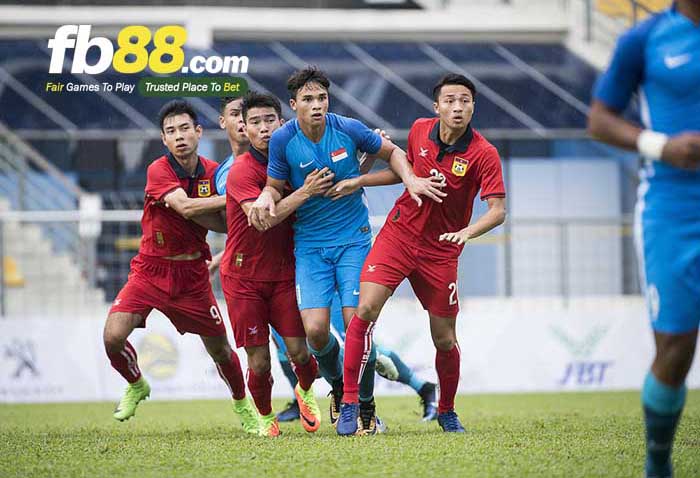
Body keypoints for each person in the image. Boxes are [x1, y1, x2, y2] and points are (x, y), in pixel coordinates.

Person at [248, 66, 444, 435]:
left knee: (359, 326)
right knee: (316, 332)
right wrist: (264, 195)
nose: (317, 105)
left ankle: (365, 407)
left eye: (321, 98)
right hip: (309, 246)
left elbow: (394, 152)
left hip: (354, 240)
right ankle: (341, 389)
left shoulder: (348, 128)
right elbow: (274, 186)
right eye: (307, 99)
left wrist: (410, 178)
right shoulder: (283, 140)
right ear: (294, 105)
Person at [339, 73, 506, 435]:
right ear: (437, 106)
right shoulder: (418, 130)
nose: (457, 107)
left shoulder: (484, 153)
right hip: (398, 235)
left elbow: (497, 210)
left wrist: (466, 233)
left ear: (473, 106)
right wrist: (360, 180)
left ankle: (446, 410)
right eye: (450, 100)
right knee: (364, 310)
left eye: (464, 100)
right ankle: (350, 404)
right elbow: (404, 173)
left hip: (441, 251)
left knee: (444, 338)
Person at [587, 3, 700, 476]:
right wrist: (660, 145)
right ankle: (659, 463)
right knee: (675, 348)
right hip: (673, 210)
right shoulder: (646, 38)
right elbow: (599, 119)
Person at [103, 99, 260, 435]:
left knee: (220, 350)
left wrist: (233, 204)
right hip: (150, 270)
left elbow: (225, 224)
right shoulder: (158, 170)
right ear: (163, 139)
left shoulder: (215, 172)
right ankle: (137, 384)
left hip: (193, 277)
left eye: (185, 128)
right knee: (113, 337)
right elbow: (186, 207)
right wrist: (237, 194)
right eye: (171, 131)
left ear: (199, 132)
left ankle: (242, 404)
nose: (179, 136)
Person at [220, 91, 331, 437]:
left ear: (282, 123)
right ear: (245, 128)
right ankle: (267, 417)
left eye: (270, 120)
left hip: (284, 273)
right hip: (243, 278)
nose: (264, 129)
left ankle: (305, 390)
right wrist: (304, 193)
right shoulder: (241, 172)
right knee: (260, 361)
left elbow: (337, 177)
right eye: (255, 122)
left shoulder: (296, 159)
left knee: (300, 352)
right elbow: (261, 221)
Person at [271, 295, 438, 423]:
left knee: (351, 348)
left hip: (320, 276)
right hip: (279, 282)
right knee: (288, 349)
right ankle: (300, 401)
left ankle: (422, 387)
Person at [208, 96, 251, 275]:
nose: (241, 119)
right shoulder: (220, 173)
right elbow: (237, 226)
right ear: (222, 122)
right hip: (241, 266)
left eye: (246, 114)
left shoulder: (274, 163)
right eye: (235, 114)